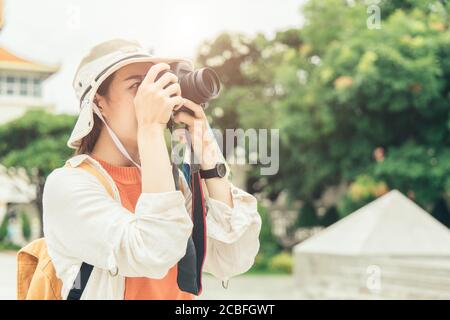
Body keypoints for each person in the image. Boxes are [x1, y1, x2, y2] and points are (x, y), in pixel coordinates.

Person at [42, 39, 262, 300]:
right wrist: (149, 128)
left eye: (157, 84)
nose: (154, 97)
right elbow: (153, 251)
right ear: (98, 102)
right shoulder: (68, 185)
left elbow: (231, 258)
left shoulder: (174, 181)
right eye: (137, 86)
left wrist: (205, 143)